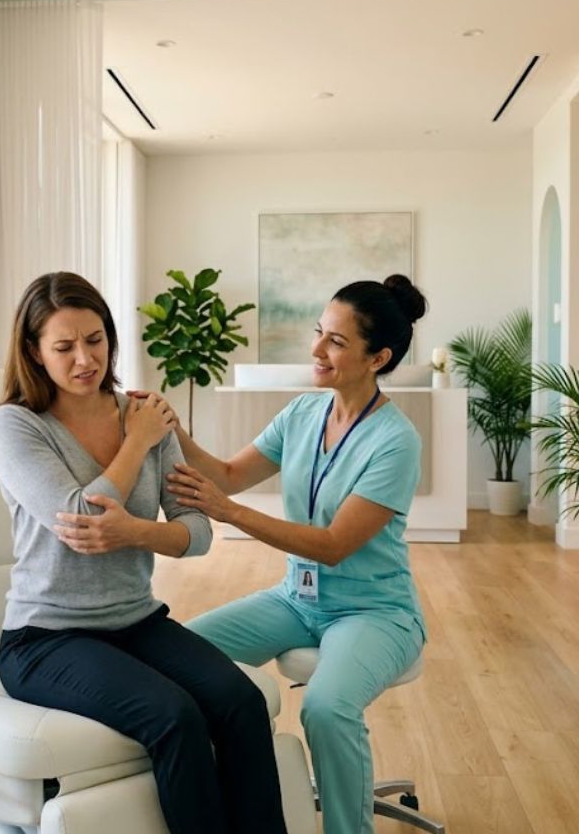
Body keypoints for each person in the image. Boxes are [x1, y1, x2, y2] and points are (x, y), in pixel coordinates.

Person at [0, 271, 289, 834]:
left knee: (241, 703)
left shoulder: (144, 412)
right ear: (34, 351)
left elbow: (196, 531)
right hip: (46, 639)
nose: (84, 359)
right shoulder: (15, 426)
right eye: (64, 346)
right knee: (173, 717)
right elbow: (82, 518)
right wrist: (137, 443)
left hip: (137, 622)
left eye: (95, 339)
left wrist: (137, 533)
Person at [162, 274, 428, 834]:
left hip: (373, 611)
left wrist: (228, 513)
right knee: (180, 656)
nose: (316, 350)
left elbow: (334, 547)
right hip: (296, 600)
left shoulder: (395, 441)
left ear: (378, 357)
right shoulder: (303, 414)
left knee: (326, 709)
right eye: (319, 333)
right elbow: (229, 476)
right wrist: (174, 430)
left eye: (336, 341)